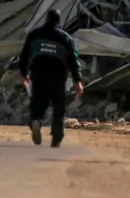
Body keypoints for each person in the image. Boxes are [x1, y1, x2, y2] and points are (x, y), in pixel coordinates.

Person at [19, 9, 83, 148]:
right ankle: (56, 138)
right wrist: (77, 80)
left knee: (38, 102)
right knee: (59, 107)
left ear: (46, 19)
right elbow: (74, 60)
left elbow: (24, 55)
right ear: (59, 21)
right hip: (58, 76)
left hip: (38, 73)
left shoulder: (34, 34)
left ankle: (36, 120)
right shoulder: (66, 38)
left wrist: (24, 73)